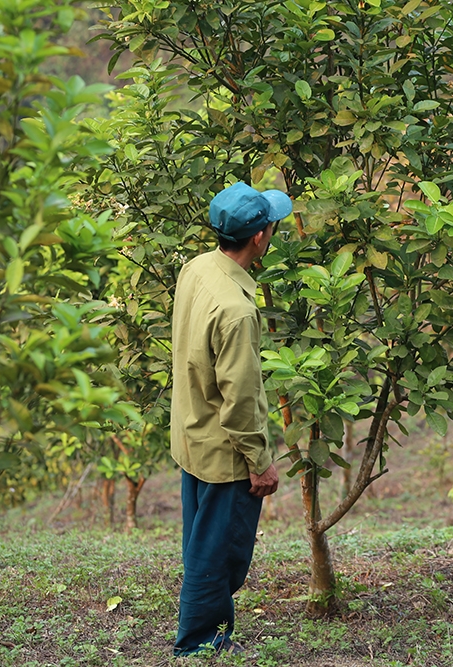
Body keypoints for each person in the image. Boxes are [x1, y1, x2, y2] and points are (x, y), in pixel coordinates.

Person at [170, 182, 291, 655]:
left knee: (202, 543)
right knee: (218, 555)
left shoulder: (198, 267)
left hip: (192, 434)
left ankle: (208, 631)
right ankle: (200, 643)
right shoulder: (237, 310)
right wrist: (259, 462)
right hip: (225, 452)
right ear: (260, 237)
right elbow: (240, 400)